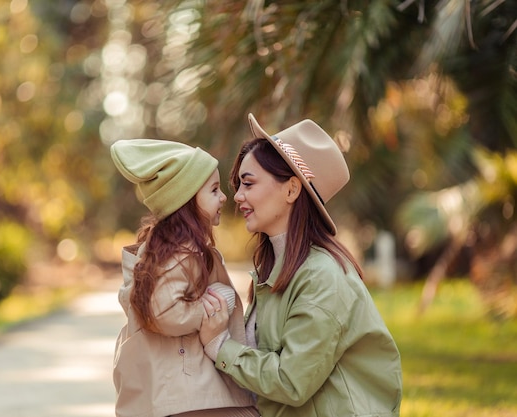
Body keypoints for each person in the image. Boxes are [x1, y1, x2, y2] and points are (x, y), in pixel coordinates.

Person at [199, 114, 403, 417]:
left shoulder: (322, 277)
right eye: (237, 185)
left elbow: (290, 380)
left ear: (292, 190)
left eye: (248, 183)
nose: (238, 196)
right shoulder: (275, 270)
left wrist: (220, 345)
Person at [110, 139, 259, 417]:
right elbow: (163, 310)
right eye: (214, 190)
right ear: (186, 200)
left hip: (181, 396)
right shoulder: (183, 252)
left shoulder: (168, 251)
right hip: (192, 399)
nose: (224, 197)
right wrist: (213, 306)